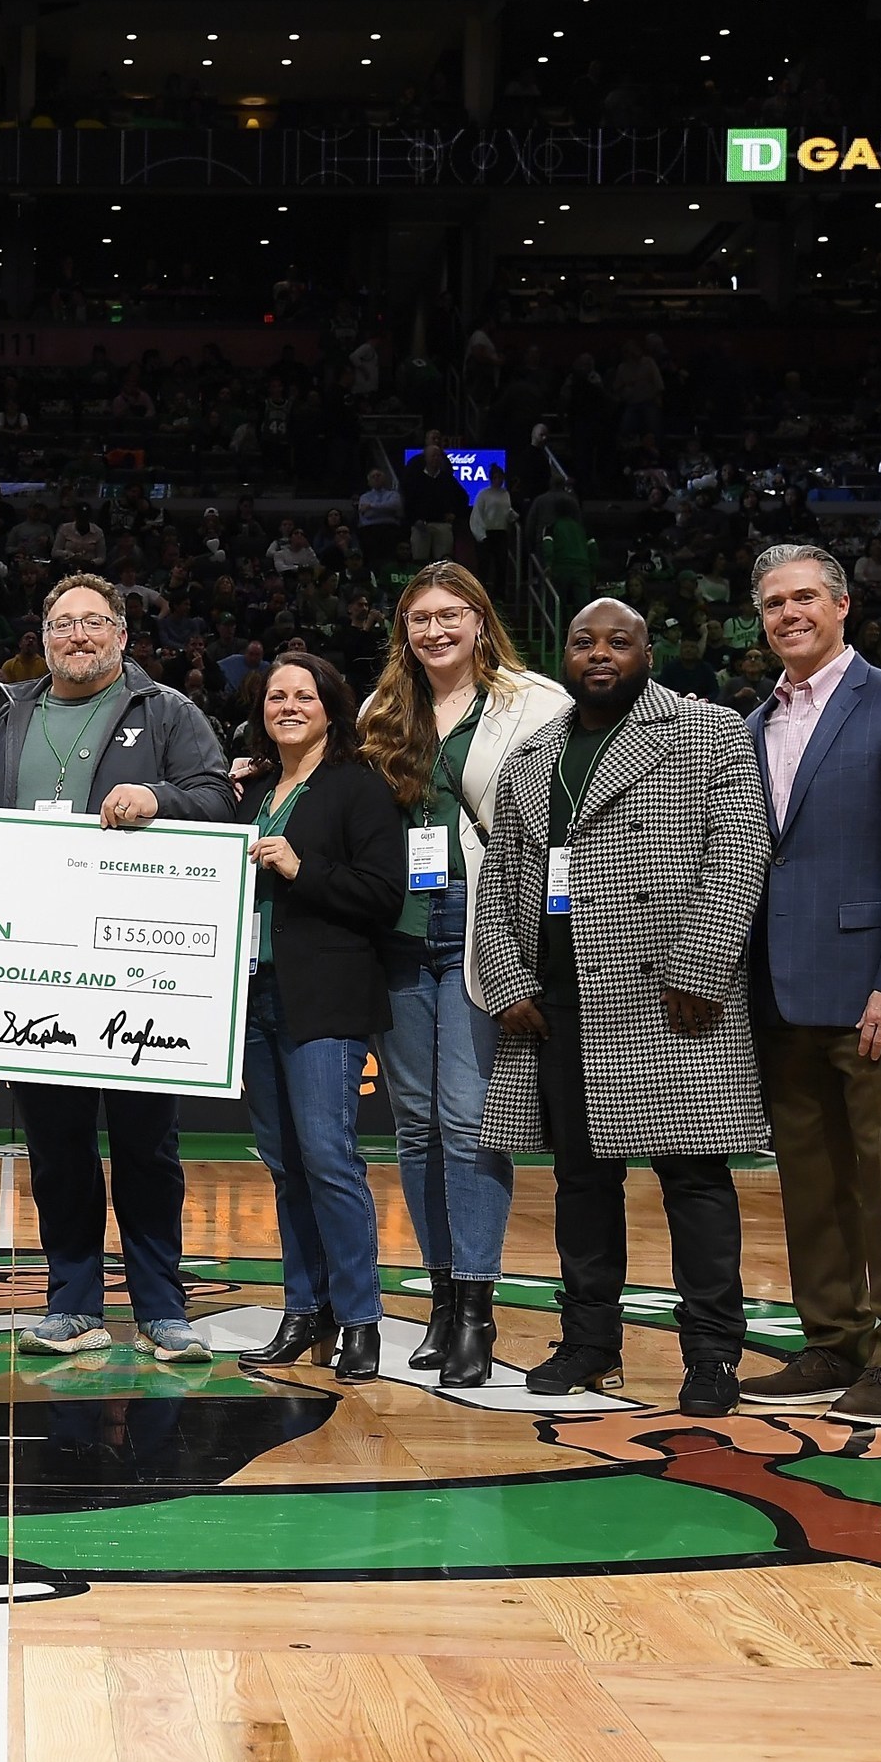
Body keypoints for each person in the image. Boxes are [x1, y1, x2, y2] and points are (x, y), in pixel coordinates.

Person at [472, 599, 771, 1418]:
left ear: (650, 649)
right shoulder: (534, 754)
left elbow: (742, 848)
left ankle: (712, 1355)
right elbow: (500, 882)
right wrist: (507, 982)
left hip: (669, 993)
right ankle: (589, 1343)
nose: (599, 654)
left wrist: (703, 968)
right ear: (563, 654)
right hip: (559, 997)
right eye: (583, 642)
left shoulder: (707, 730)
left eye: (619, 641)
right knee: (580, 1182)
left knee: (695, 1180)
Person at [0, 572, 238, 1362]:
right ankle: (74, 1304)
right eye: (63, 625)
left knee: (144, 1145)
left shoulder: (166, 710)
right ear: (44, 637)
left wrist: (158, 799)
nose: (79, 636)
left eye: (95, 623)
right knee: (57, 1146)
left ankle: (162, 1306)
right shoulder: (6, 714)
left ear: (123, 636)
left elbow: (221, 798)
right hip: (34, 964)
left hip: (137, 967)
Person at [739, 544, 881, 1429]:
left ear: (840, 608)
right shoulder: (750, 721)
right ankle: (832, 1339)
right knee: (811, 1181)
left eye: (803, 599)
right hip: (782, 991)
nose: (788, 614)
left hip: (875, 995)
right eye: (772, 604)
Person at [354, 561, 570, 1386]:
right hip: (400, 929)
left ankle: (478, 1311)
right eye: (419, 619)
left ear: (481, 621)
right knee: (413, 1124)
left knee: (467, 1118)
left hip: (482, 928)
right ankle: (442, 1304)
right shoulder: (381, 708)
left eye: (450, 615)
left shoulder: (536, 702)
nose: (435, 631)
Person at [232, 653, 405, 1382]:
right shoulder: (257, 790)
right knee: (284, 1166)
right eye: (277, 696)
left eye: (304, 694)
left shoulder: (359, 787)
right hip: (256, 999)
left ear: (330, 707)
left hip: (324, 999)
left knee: (330, 1160)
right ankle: (304, 1310)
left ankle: (359, 1319)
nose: (290, 706)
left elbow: (383, 894)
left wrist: (303, 869)